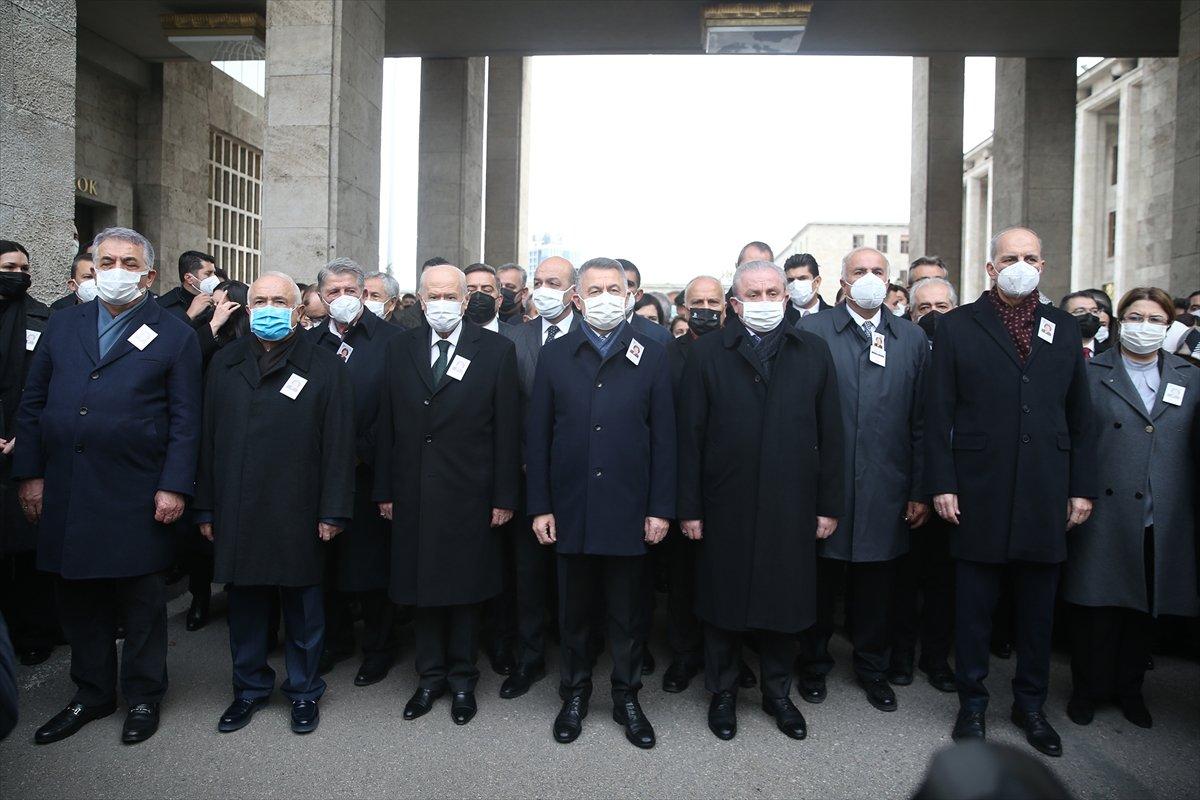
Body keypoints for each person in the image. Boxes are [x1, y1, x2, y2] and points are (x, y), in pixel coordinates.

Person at [13, 227, 201, 745]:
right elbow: (33, 402)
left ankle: (143, 695)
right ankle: (91, 693)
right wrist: (30, 474)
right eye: (108, 260)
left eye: (129, 262)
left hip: (136, 490)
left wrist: (174, 487)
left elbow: (186, 419)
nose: (117, 270)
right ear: (93, 266)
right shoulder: (63, 324)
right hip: (69, 486)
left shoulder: (173, 334)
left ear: (149, 274)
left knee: (140, 601)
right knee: (79, 596)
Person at [926, 226, 1096, 757]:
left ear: (1042, 266)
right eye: (1009, 258)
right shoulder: (956, 327)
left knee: (1037, 611)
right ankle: (972, 705)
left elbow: (1080, 415)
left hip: (1046, 488)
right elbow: (936, 414)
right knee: (974, 608)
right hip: (978, 488)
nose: (1019, 265)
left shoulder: (1064, 329)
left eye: (1029, 257)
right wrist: (942, 482)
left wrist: (1080, 489)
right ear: (990, 268)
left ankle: (1030, 706)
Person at [678, 261, 844, 741]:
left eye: (774, 292)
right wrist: (688, 508)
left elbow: (830, 433)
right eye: (755, 293)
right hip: (724, 501)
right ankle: (723, 693)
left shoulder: (811, 351)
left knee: (784, 604)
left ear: (787, 298)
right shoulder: (708, 353)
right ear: (735, 303)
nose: (766, 300)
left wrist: (828, 505)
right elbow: (690, 436)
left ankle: (778, 694)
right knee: (722, 602)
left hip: (792, 502)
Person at [196, 271, 355, 736]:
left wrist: (333, 510)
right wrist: (205, 507)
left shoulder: (326, 367)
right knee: (244, 603)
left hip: (299, 506)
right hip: (237, 504)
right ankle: (248, 687)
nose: (268, 307)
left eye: (278, 300)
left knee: (304, 606)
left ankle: (304, 690)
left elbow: (340, 446)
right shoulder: (224, 363)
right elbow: (207, 441)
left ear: (299, 310)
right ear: (248, 309)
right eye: (260, 300)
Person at [526, 257, 675, 749]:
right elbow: (538, 437)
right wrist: (541, 505)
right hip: (570, 507)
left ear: (630, 295)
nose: (606, 297)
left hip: (630, 510)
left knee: (629, 616)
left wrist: (659, 508)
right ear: (577, 298)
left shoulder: (652, 354)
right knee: (574, 614)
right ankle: (574, 694)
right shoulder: (556, 355)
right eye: (595, 289)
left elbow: (665, 440)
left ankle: (627, 697)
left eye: (615, 288)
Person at [374, 264, 521, 726]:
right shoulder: (398, 348)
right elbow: (386, 424)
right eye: (432, 294)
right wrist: (385, 489)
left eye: (449, 295)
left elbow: (506, 430)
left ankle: (462, 680)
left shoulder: (496, 350)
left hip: (470, 493)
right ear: (419, 299)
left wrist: (504, 496)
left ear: (464, 301)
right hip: (413, 490)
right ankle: (429, 677)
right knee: (422, 588)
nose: (441, 303)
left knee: (464, 589)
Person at [797, 248, 929, 713]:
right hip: (824, 486)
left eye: (878, 272)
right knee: (818, 583)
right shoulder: (811, 331)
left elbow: (921, 422)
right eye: (860, 272)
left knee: (877, 587)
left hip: (886, 487)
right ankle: (812, 666)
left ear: (890, 281)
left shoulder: (910, 338)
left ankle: (872, 667)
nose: (869, 279)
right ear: (843, 281)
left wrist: (917, 490)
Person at [1063, 287, 1198, 729]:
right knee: (1096, 608)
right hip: (1103, 506)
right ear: (1119, 322)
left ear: (1168, 326)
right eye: (1136, 317)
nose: (1146, 327)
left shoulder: (1189, 376)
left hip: (1163, 512)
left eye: (1156, 320)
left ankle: (1130, 689)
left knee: (1144, 608)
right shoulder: (1090, 371)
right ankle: (1087, 689)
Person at [305, 258, 404, 685]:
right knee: (326, 561)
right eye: (333, 292)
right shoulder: (308, 344)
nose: (342, 299)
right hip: (321, 473)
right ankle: (336, 639)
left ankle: (380, 647)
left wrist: (360, 451)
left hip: (371, 470)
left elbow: (398, 410)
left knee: (372, 563)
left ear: (364, 294)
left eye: (350, 290)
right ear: (321, 299)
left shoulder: (394, 341)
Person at [496, 256, 578, 701]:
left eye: (556, 282)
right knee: (528, 576)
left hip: (580, 479)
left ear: (573, 291)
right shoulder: (514, 340)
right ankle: (528, 659)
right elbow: (507, 411)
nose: (546, 289)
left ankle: (575, 660)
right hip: (529, 478)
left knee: (574, 575)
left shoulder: (593, 337)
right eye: (540, 282)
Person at [890, 276, 960, 693]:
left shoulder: (967, 351)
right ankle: (899, 656)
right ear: (911, 315)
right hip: (913, 484)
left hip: (955, 486)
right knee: (903, 580)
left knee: (944, 583)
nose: (933, 315)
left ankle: (936, 659)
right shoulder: (907, 351)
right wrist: (917, 489)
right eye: (923, 309)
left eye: (942, 307)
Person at [659, 275, 726, 695]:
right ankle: (684, 656)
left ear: (727, 306)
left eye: (712, 301)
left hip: (728, 481)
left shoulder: (737, 347)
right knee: (683, 577)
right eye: (697, 302)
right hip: (682, 479)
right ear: (684, 309)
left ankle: (725, 655)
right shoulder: (667, 355)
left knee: (722, 574)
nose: (705, 308)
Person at [1, 242, 58, 666]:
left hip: (27, 445)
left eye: (24, 266)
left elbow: (50, 387)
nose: (19, 273)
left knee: (28, 546)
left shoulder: (44, 318)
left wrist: (25, 433)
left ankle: (34, 632)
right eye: (9, 267)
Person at [614, 258, 670, 347]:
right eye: (614, 283)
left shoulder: (660, 336)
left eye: (628, 284)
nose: (622, 289)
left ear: (638, 295)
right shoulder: (584, 330)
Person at [158, 250, 218, 328]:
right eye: (208, 274)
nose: (214, 278)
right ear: (189, 278)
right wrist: (189, 315)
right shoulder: (165, 305)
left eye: (214, 273)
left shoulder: (215, 302)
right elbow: (164, 335)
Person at [394, 257, 450, 330]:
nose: (434, 284)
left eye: (441, 279)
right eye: (428, 278)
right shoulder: (398, 320)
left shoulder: (463, 318)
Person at [783, 253, 830, 324]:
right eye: (791, 280)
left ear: (817, 281)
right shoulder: (779, 317)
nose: (795, 284)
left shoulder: (833, 316)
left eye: (802, 278)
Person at [1060, 291, 1109, 358]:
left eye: (1094, 311)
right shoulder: (1051, 352)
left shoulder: (1111, 355)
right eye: (1080, 311)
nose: (1089, 315)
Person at [464, 263, 510, 333]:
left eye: (487, 290)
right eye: (470, 290)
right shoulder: (448, 336)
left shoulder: (516, 335)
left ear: (500, 300)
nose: (478, 295)